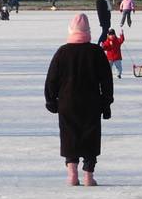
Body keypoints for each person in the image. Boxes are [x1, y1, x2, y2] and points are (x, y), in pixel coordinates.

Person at [44, 13, 114, 186]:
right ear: (88, 31)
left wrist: (51, 100)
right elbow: (106, 80)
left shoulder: (62, 52)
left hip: (67, 102)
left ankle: (72, 174)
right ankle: (89, 176)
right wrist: (106, 103)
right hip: (92, 102)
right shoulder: (96, 52)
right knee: (91, 136)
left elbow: (51, 79)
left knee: (70, 135)